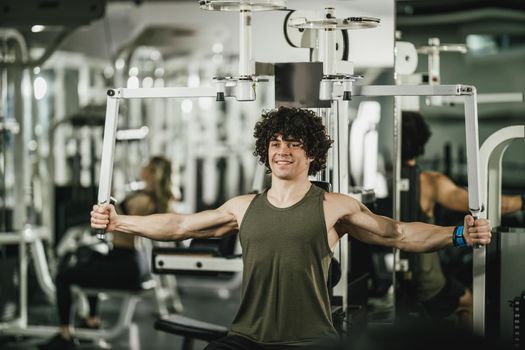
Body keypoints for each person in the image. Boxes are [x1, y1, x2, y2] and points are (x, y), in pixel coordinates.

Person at [91, 106, 492, 350]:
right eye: (276, 142)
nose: (282, 150)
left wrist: (459, 233)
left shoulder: (334, 206)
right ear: (266, 150)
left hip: (311, 340)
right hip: (247, 338)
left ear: (311, 152)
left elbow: (399, 234)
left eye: (293, 143)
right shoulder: (243, 206)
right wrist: (119, 221)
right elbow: (179, 224)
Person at [399, 111, 524, 328]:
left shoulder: (383, 178)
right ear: (422, 140)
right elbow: (487, 205)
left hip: (397, 278)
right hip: (426, 283)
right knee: (472, 305)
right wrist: (522, 200)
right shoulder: (429, 182)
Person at [39, 156, 175, 350]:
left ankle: (65, 335)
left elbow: (119, 221)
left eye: (146, 165)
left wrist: (110, 196)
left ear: (152, 172)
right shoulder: (147, 196)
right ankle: (92, 319)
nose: (142, 166)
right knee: (91, 257)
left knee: (63, 277)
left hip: (126, 264)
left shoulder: (143, 201)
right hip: (130, 259)